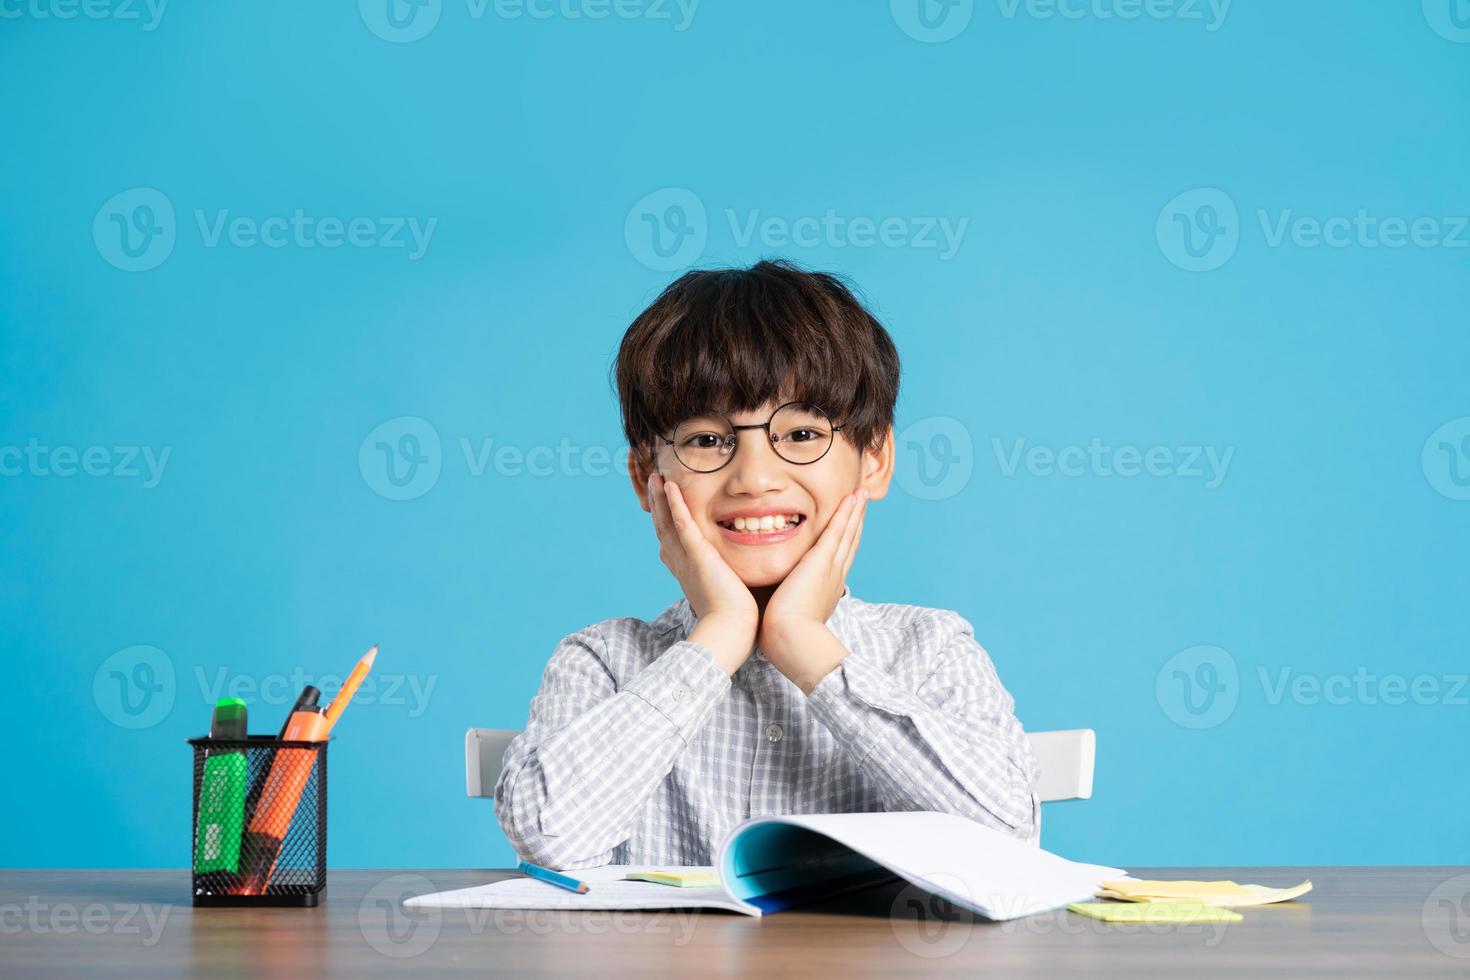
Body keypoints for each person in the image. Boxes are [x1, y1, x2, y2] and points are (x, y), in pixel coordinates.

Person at [495, 260, 1039, 869]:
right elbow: (549, 838)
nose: (754, 478)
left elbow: (1007, 841)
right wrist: (718, 637)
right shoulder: (602, 662)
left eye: (802, 434)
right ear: (647, 480)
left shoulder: (931, 649)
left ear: (875, 459)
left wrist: (803, 642)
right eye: (707, 440)